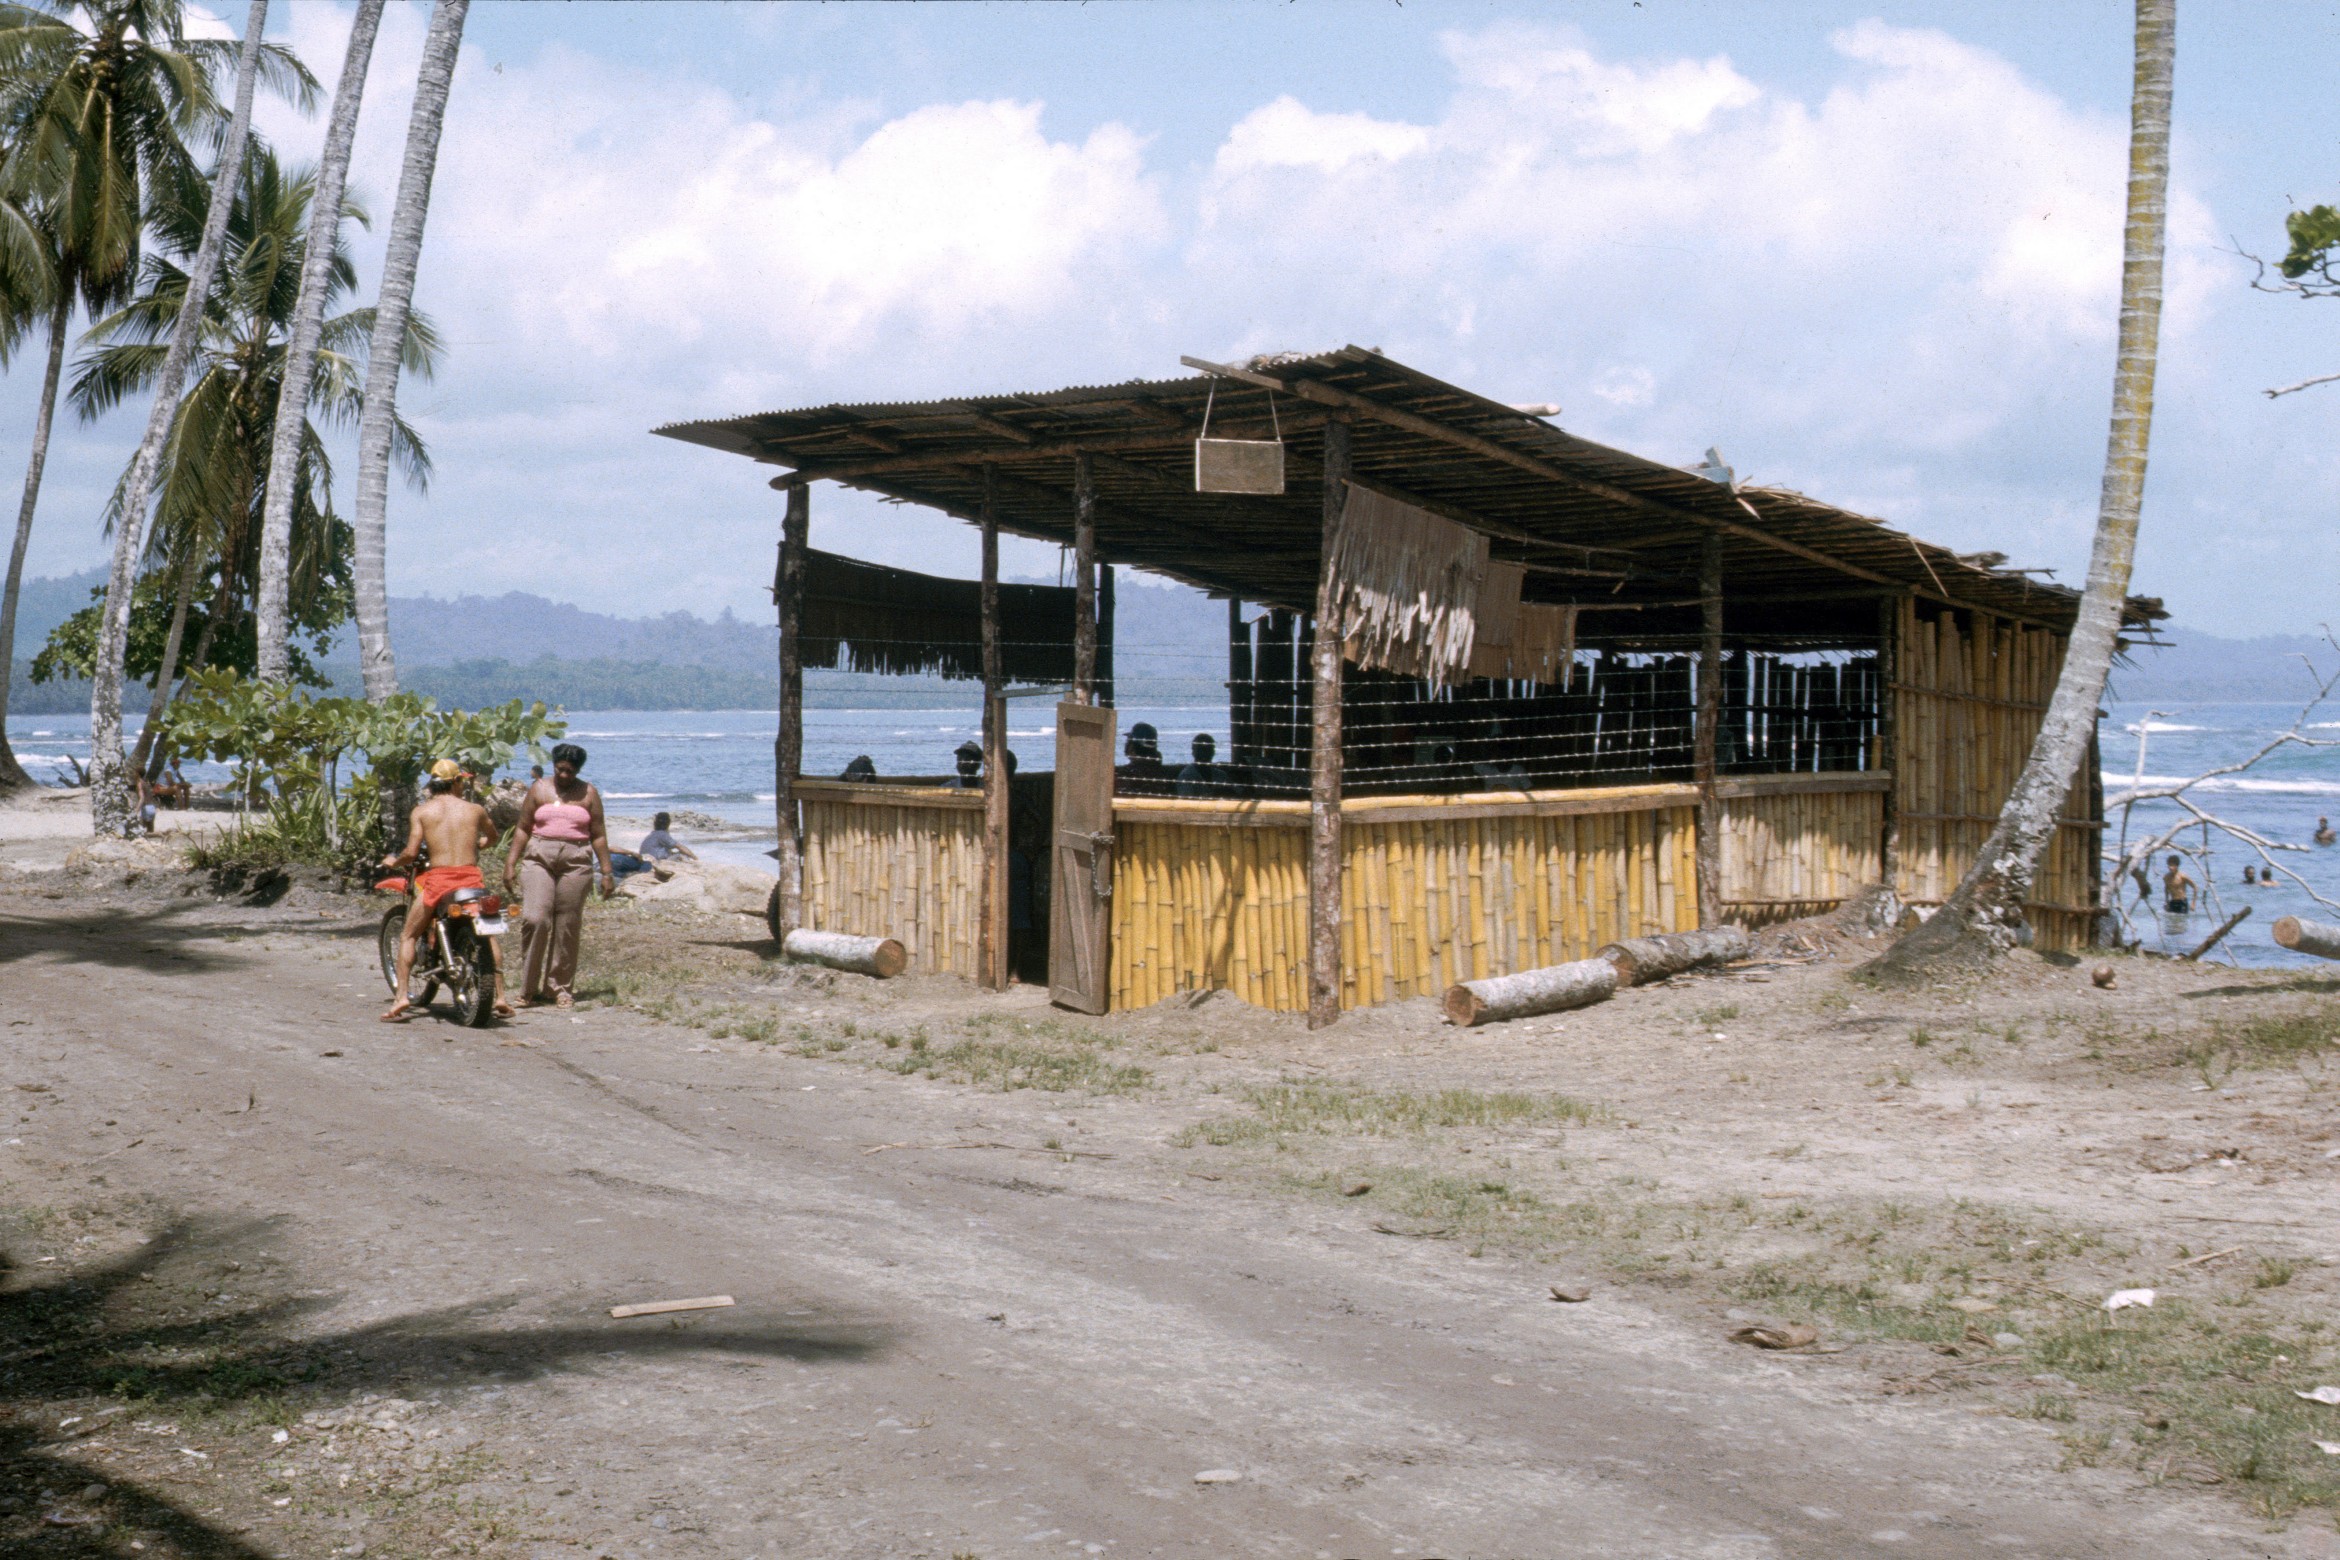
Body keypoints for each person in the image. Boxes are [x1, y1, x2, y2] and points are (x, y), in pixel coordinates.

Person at [381, 760, 513, 1023]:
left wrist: (393, 862)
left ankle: (402, 997)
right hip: (471, 880)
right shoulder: (474, 810)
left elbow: (410, 852)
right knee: (489, 934)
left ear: (433, 784)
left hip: (439, 880)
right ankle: (500, 997)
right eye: (461, 781)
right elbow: (493, 837)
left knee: (408, 935)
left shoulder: (422, 812)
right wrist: (480, 845)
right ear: (456, 782)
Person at [505, 743, 615, 1009]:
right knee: (535, 918)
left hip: (576, 860)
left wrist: (607, 871)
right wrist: (510, 863)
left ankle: (559, 987)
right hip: (539, 856)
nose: (565, 775)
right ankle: (528, 988)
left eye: (571, 770)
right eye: (560, 769)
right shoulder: (539, 788)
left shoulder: (589, 793)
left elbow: (598, 834)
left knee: (567, 925)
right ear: (554, 765)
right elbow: (522, 827)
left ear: (579, 769)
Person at [1119, 722, 1169, 795]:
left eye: (1128, 741)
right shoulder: (1162, 773)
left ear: (1131, 748)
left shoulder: (1125, 776)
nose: (1126, 745)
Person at [1176, 732, 1220, 798]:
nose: (1204, 753)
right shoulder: (1187, 777)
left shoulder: (1220, 776)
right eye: (1201, 749)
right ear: (1193, 752)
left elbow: (1237, 793)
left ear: (1213, 752)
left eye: (1208, 749)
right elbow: (1187, 804)